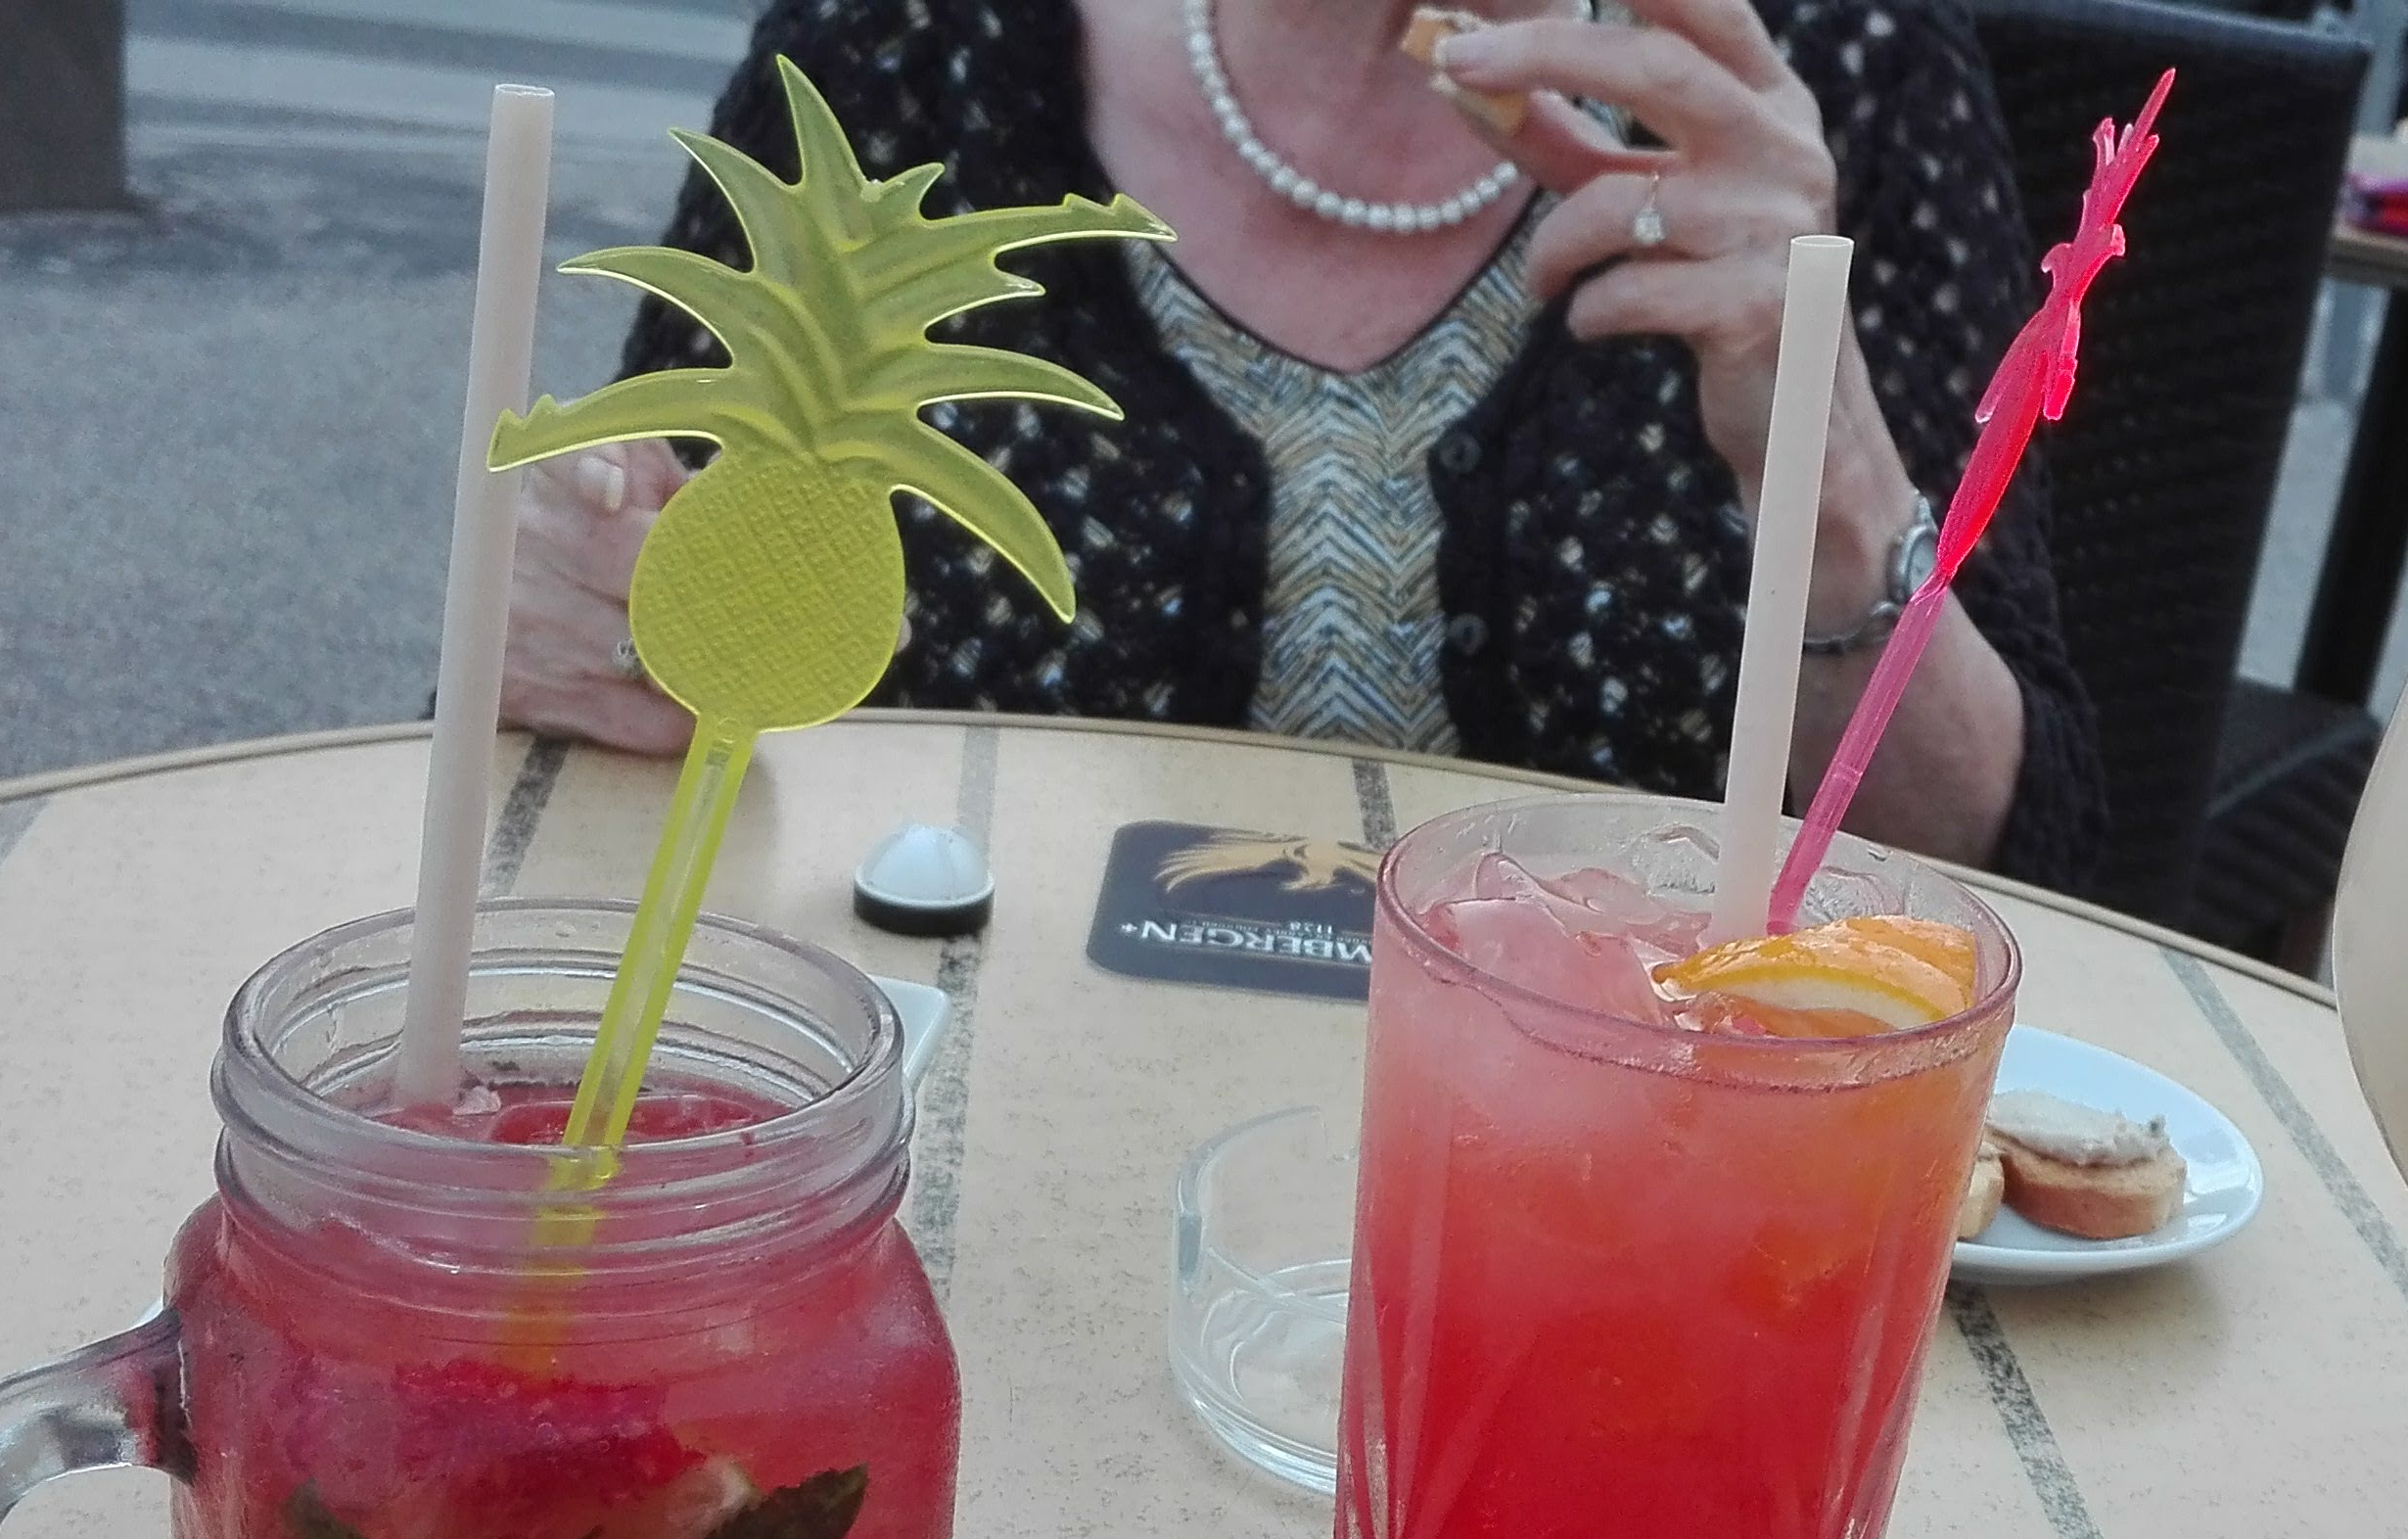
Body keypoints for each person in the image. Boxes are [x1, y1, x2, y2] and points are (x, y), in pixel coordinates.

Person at [501, 0, 2107, 893]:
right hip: (975, 1135)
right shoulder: (909, 50)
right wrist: (587, 610)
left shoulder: (1839, 74)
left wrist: (1826, 478)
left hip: (1617, 1198)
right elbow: (640, 672)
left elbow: (2002, 865)